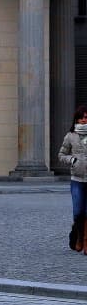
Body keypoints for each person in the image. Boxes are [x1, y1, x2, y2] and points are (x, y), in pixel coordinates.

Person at [59, 107, 87, 250]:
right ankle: (77, 234)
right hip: (77, 179)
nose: (84, 119)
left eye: (86, 117)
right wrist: (72, 160)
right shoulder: (70, 136)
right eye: (81, 117)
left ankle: (83, 241)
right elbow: (61, 155)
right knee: (78, 212)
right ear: (76, 119)